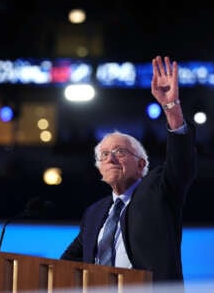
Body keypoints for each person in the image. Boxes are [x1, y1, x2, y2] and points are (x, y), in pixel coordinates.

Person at [60, 55, 198, 284]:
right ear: (99, 168)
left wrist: (171, 108)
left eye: (120, 152)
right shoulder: (93, 214)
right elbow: (63, 264)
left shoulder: (159, 190)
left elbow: (182, 163)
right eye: (104, 155)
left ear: (142, 164)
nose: (111, 159)